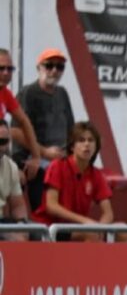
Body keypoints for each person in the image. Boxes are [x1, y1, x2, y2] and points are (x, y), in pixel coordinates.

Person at [30, 121, 126, 241]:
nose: (87, 144)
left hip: (77, 228)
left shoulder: (96, 174)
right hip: (50, 228)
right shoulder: (57, 166)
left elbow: (108, 213)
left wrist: (100, 227)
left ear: (96, 146)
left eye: (91, 140)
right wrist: (85, 221)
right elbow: (51, 206)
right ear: (72, 146)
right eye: (81, 140)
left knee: (123, 231)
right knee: (90, 234)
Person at [12, 48, 75, 211]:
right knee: (43, 206)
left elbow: (71, 130)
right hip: (33, 159)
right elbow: (16, 132)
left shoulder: (62, 93)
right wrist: (43, 152)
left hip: (59, 161)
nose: (54, 70)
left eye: (60, 67)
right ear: (39, 68)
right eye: (49, 65)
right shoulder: (28, 93)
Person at [0, 48, 42, 189]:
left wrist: (36, 157)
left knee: (34, 174)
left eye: (10, 69)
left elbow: (25, 121)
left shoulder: (5, 93)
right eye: (1, 68)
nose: (6, 73)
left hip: (3, 155)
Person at [0, 119, 30, 239]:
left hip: (3, 222)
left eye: (3, 141)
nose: (0, 146)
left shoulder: (11, 166)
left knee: (41, 234)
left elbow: (18, 206)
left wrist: (22, 224)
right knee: (15, 238)